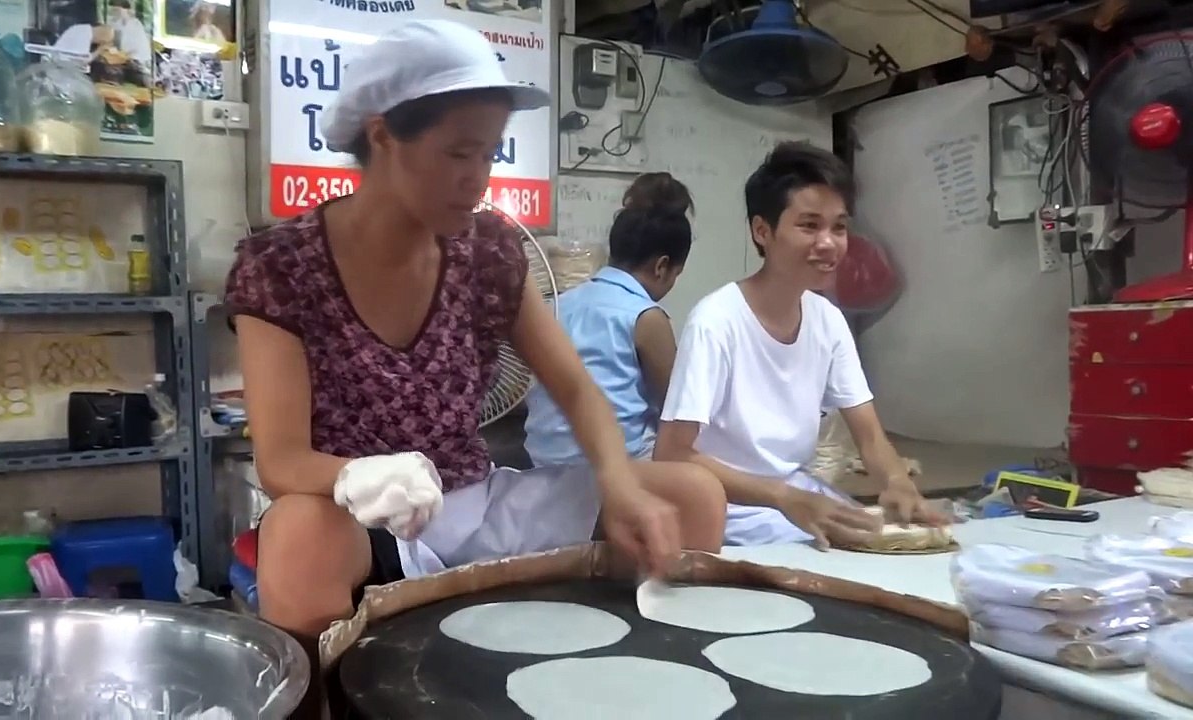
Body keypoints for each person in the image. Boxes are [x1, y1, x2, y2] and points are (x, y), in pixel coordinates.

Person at [225, 20, 726, 716]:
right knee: (296, 537)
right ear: (383, 136)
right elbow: (279, 459)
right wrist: (351, 475)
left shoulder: (488, 251)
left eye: (490, 154)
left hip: (478, 503)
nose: (478, 179)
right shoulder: (280, 267)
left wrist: (620, 481)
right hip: (369, 526)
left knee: (690, 496)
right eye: (459, 153)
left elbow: (574, 387)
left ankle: (619, 686)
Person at [654, 142, 943, 549]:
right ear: (762, 231)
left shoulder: (827, 321)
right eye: (809, 226)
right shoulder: (716, 323)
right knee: (848, 558)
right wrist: (784, 498)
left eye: (839, 227)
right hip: (728, 505)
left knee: (908, 542)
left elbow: (870, 437)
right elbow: (672, 456)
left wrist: (896, 482)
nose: (829, 243)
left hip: (794, 493)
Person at [524, 173, 693, 466]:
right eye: (676, 275)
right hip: (610, 468)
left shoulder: (558, 305)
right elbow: (674, 410)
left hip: (541, 462)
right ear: (662, 267)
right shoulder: (646, 317)